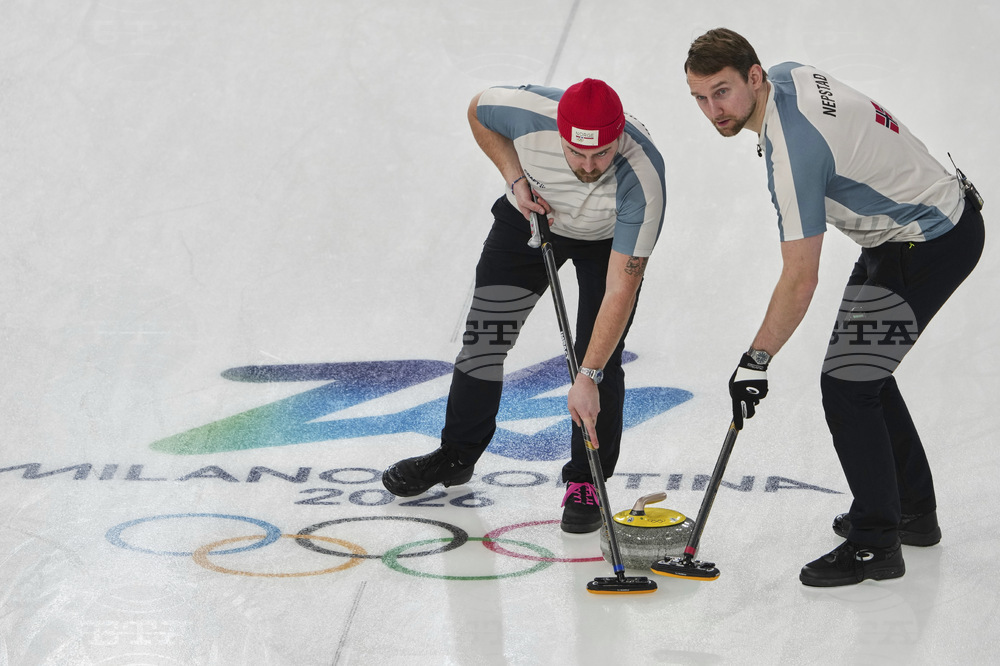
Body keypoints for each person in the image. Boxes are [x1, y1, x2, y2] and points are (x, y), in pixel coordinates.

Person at [684, 28, 984, 586]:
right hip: (905, 233)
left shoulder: (794, 153)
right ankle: (912, 512)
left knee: (848, 385)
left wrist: (756, 360)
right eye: (700, 98)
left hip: (928, 241)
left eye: (721, 92)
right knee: (863, 378)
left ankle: (877, 543)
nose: (712, 111)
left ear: (754, 76)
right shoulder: (788, 74)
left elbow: (800, 279)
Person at [381, 79, 666, 533]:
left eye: (601, 154)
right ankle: (456, 454)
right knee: (484, 342)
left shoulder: (643, 176)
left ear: (618, 139)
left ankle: (587, 480)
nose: (588, 166)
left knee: (598, 360)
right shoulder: (526, 111)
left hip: (606, 242)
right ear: (559, 133)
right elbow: (477, 110)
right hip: (530, 218)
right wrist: (516, 179)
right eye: (577, 152)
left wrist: (587, 375)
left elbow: (620, 291)